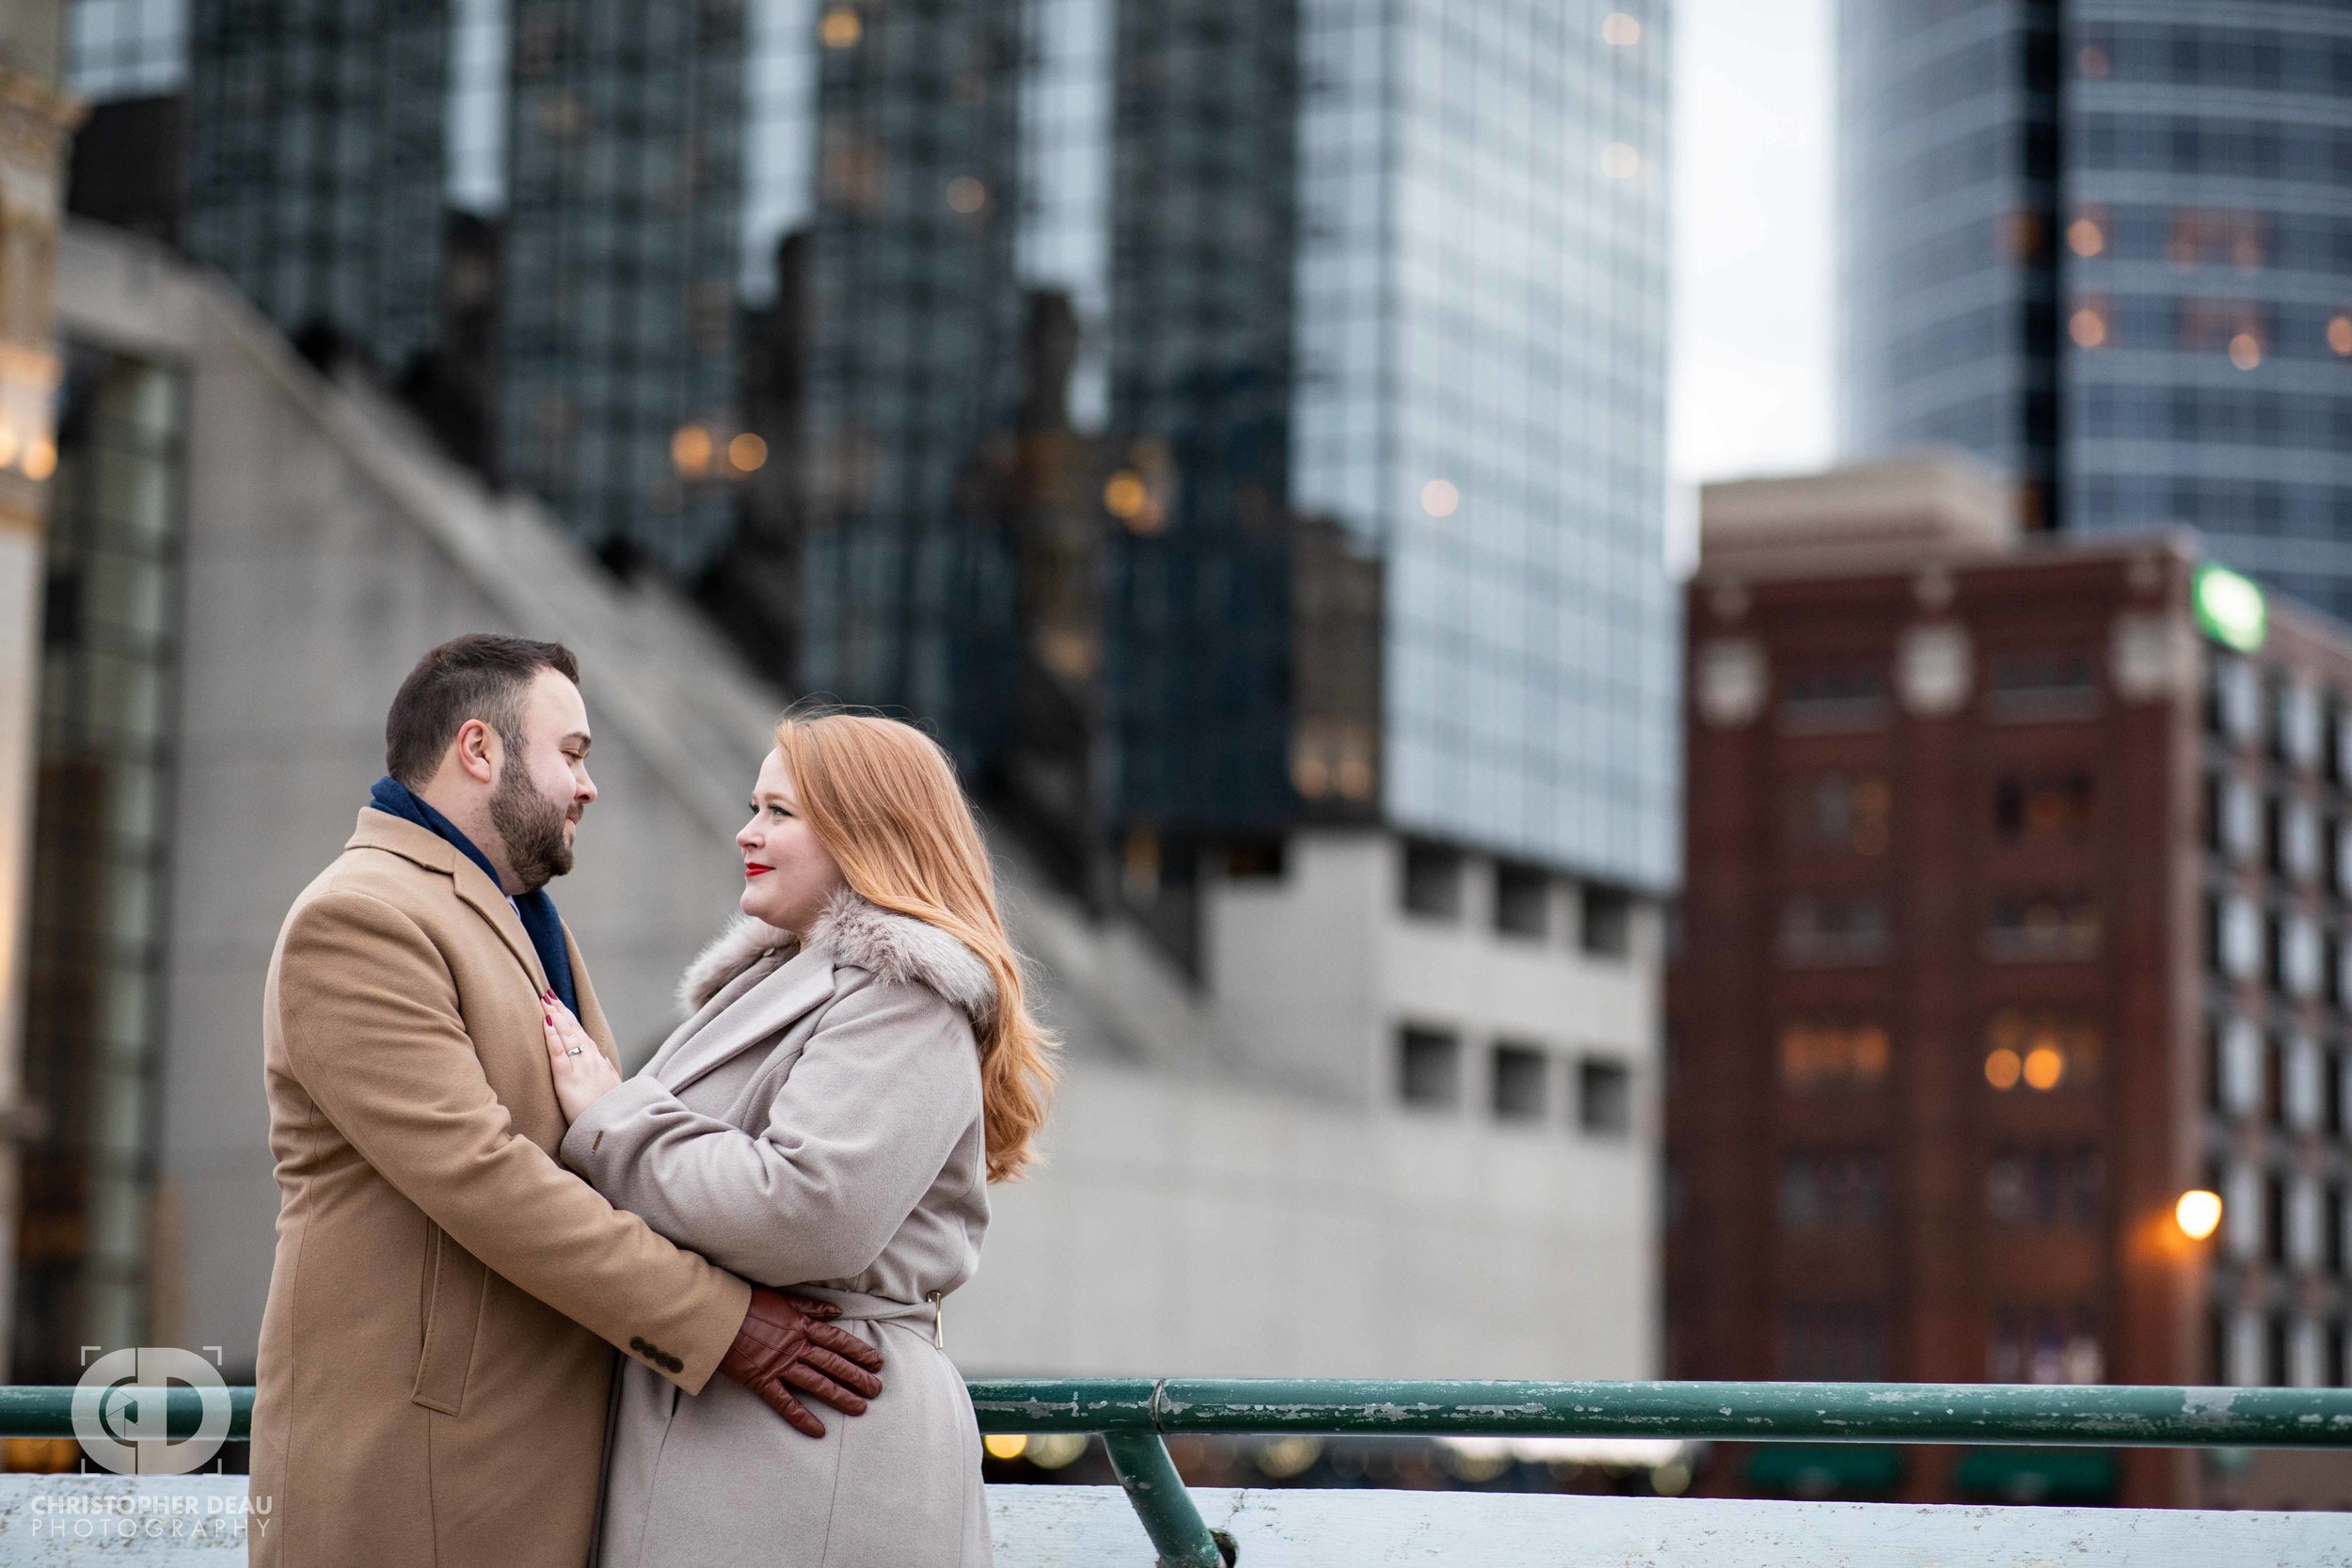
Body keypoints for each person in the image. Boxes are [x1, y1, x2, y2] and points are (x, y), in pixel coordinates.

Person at [250, 636, 884, 1568]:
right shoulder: (359, 917)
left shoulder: (517, 916)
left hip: (517, 1469)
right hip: (418, 1481)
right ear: (479, 749)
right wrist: (720, 1318)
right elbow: (486, 1177)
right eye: (574, 753)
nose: (588, 786)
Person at [540, 709, 1058, 1568]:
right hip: (761, 1426)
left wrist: (612, 1120)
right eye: (755, 806)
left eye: (780, 812)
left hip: (815, 1431)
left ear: (868, 831)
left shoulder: (904, 992)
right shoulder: (796, 978)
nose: (747, 832)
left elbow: (807, 1209)